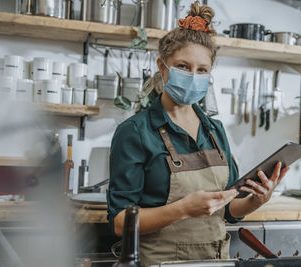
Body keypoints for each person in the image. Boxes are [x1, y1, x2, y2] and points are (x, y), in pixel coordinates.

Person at [107, 1, 289, 266]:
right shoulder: (135, 132)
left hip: (215, 261)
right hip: (160, 263)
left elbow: (227, 208)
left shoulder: (215, 131)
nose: (193, 76)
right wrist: (182, 209)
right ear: (162, 66)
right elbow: (120, 222)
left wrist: (258, 199)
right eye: (183, 66)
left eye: (202, 70)